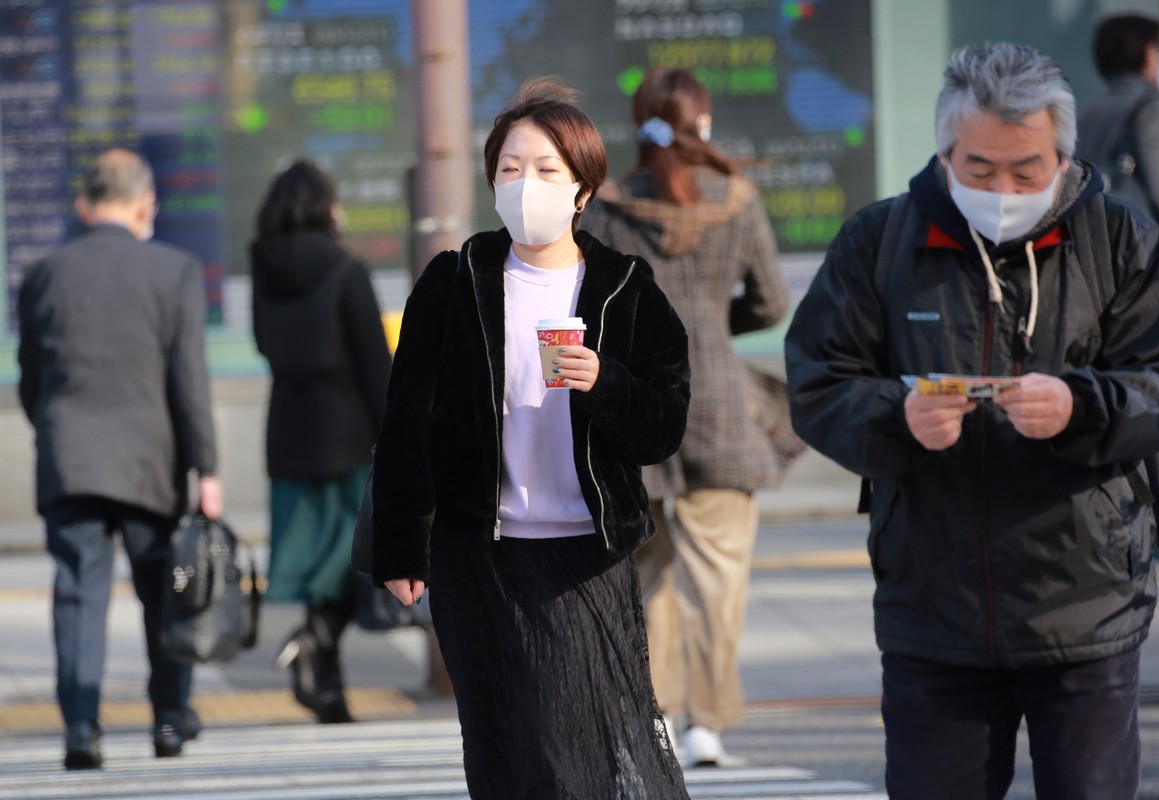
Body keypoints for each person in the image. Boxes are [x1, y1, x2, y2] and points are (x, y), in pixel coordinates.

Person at [784, 43, 1159, 800]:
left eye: (1026, 170)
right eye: (980, 169)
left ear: (1063, 157)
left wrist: (1083, 405)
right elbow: (818, 381)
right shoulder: (878, 242)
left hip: (1087, 605)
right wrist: (895, 416)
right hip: (932, 611)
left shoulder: (1119, 239)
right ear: (944, 153)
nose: (1003, 188)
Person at [371, 77, 691, 798]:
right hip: (478, 558)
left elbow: (663, 427)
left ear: (583, 190)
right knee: (503, 748)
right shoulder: (454, 283)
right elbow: (404, 425)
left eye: (548, 170)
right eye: (511, 169)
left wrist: (603, 382)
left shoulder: (625, 288)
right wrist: (399, 547)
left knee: (576, 751)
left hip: (585, 555)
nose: (526, 186)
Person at [581, 66, 791, 767]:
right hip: (722, 409)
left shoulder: (608, 208)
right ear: (703, 127)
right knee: (719, 581)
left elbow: (593, 304)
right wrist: (712, 326)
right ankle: (710, 723)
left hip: (638, 408)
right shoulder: (737, 202)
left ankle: (658, 712)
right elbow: (772, 302)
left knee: (647, 577)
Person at [17, 148, 224, 768]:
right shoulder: (174, 271)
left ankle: (81, 730)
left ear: (85, 204)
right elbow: (189, 381)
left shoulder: (44, 273)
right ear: (143, 202)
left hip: (69, 459)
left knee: (77, 594)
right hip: (149, 463)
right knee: (165, 591)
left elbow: (32, 379)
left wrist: (55, 431)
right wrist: (206, 468)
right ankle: (167, 718)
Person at [249, 159, 392, 724]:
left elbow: (265, 345)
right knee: (355, 559)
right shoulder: (345, 269)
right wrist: (398, 435)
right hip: (348, 433)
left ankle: (326, 688)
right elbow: (375, 365)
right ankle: (314, 644)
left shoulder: (262, 271)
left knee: (318, 563)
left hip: (288, 430)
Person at [1077, 13, 1159, 553]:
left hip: (1094, 268)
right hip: (1146, 268)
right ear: (1149, 57)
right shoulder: (1151, 107)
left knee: (1131, 389)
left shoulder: (1087, 110)